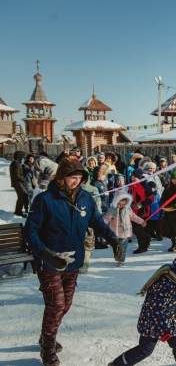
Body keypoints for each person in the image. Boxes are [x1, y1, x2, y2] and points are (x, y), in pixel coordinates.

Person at [23, 157, 121, 366]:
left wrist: (112, 238)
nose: (76, 181)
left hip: (73, 260)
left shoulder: (85, 198)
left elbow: (96, 221)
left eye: (79, 178)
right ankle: (48, 345)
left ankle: (45, 335)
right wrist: (45, 253)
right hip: (49, 261)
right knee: (56, 304)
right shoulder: (45, 199)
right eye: (72, 178)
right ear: (61, 178)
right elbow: (29, 231)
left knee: (65, 305)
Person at [108, 248, 176, 366]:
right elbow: (155, 310)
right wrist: (164, 329)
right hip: (152, 324)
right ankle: (117, 364)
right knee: (145, 350)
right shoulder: (165, 286)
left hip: (172, 322)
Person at [104, 194, 146, 267]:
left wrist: (142, 221)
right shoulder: (112, 210)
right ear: (117, 200)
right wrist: (101, 224)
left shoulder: (128, 209)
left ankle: (121, 260)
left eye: (125, 201)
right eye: (121, 200)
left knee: (123, 247)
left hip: (125, 232)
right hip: (115, 232)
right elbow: (107, 218)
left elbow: (134, 217)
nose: (123, 203)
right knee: (116, 246)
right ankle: (117, 254)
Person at [161, 167, 176, 252]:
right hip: (169, 211)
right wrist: (163, 204)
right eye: (173, 179)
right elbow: (164, 197)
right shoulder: (168, 187)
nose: (174, 181)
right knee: (170, 228)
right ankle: (174, 243)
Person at [129, 168, 153, 254]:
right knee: (135, 229)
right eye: (132, 177)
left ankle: (142, 247)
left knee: (139, 229)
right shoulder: (131, 186)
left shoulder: (145, 186)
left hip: (142, 211)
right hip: (133, 211)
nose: (132, 179)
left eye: (134, 177)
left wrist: (141, 204)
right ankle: (147, 238)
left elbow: (151, 199)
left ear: (139, 177)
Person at [10, 151, 28, 217]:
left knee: (20, 197)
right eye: (22, 157)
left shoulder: (15, 163)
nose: (23, 158)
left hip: (17, 183)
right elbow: (17, 175)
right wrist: (24, 180)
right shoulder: (16, 163)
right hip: (18, 183)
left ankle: (17, 210)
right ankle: (19, 212)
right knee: (22, 197)